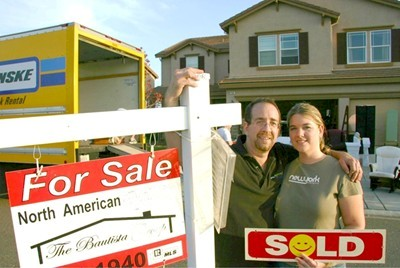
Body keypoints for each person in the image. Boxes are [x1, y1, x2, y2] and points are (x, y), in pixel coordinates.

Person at [163, 67, 363, 267]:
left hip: (271, 260)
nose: (267, 129)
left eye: (273, 123)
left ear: (278, 129)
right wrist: (171, 97)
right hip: (229, 260)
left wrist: (338, 154)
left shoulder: (285, 155)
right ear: (246, 126)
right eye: (260, 121)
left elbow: (313, 150)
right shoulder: (224, 155)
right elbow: (182, 153)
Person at [275, 103, 365, 267]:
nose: (299, 134)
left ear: (321, 129)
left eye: (306, 127)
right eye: (293, 128)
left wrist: (324, 261)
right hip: (284, 263)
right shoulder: (285, 164)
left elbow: (356, 225)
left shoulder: (343, 170)